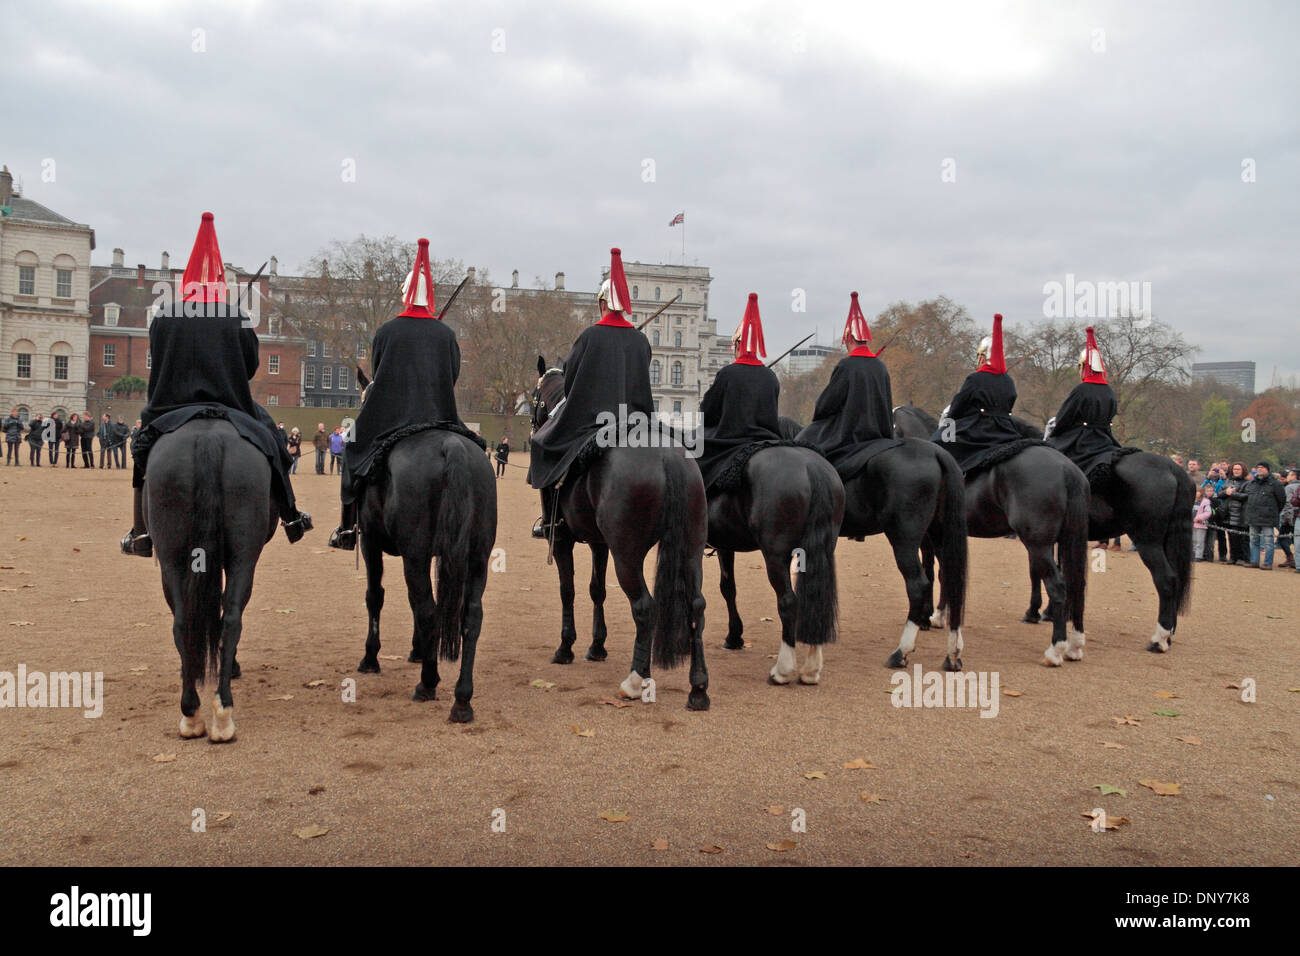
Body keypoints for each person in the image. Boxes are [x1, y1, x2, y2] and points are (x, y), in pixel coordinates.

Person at [120, 211, 311, 557]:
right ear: (221, 281)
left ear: (186, 281)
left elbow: (159, 361)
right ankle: (291, 515)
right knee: (272, 442)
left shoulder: (165, 315)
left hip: (169, 408)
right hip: (231, 406)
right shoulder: (236, 316)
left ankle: (139, 531)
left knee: (142, 451)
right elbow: (250, 366)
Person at [330, 238, 479, 549]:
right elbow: (451, 376)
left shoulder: (387, 331)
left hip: (393, 417)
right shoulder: (446, 335)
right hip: (439, 415)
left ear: (406, 295)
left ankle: (347, 528)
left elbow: (380, 374)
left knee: (353, 445)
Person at [527, 247, 653, 538]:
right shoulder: (640, 341)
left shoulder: (589, 336)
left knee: (542, 443)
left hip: (594, 422)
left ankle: (551, 523)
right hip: (636, 422)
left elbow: (570, 382)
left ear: (601, 304)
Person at [796, 291, 899, 487]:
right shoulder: (880, 366)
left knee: (804, 442)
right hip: (879, 434)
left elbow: (826, 406)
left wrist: (818, 413)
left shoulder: (846, 365)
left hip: (850, 435)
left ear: (849, 338)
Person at [697, 293, 783, 491]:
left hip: (731, 441)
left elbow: (707, 412)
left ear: (737, 345)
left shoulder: (728, 373)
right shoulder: (771, 376)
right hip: (768, 440)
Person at [934, 313, 1024, 473]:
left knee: (939, 441)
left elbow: (958, 406)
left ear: (982, 357)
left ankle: (952, 481)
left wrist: (950, 419)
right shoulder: (1008, 380)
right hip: (1006, 430)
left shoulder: (975, 378)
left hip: (978, 430)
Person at [1045, 326, 1123, 477]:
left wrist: (1054, 433)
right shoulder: (1109, 390)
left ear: (1083, 367)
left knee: (1047, 459)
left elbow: (1063, 418)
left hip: (1081, 442)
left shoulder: (1082, 389)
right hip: (1106, 440)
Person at [1242, 460, 1286, 570]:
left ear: (1267, 469)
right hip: (1253, 516)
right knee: (1254, 541)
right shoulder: (1252, 483)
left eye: (1262, 467)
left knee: (1268, 542)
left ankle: (1267, 563)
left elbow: (1281, 500)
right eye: (1258, 467)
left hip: (1268, 517)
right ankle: (1254, 561)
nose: (1260, 469)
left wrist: (1273, 511)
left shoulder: (1275, 483)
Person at [1215, 462, 1251, 565]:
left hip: (1241, 513)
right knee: (1231, 537)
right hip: (1228, 513)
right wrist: (1226, 492)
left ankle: (1241, 557)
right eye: (1235, 469)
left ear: (1243, 470)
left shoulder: (1247, 483)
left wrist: (1233, 494)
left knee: (1242, 538)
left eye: (1238, 469)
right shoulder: (1228, 481)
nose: (1236, 471)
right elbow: (1219, 494)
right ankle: (1232, 557)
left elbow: (1246, 496)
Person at [1277, 468, 1299, 569]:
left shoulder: (1289, 487)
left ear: (1294, 476)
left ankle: (1290, 558)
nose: (1287, 477)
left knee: (1282, 538)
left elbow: (1288, 503)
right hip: (1296, 516)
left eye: (1289, 475)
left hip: (1290, 517)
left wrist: (1286, 517)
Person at [1192, 485, 1213, 561]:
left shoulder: (1205, 502)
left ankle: (1199, 556)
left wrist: (1198, 518)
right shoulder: (1191, 501)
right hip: (1192, 524)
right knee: (1193, 540)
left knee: (1199, 541)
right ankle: (1193, 554)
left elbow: (1208, 512)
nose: (1197, 493)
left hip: (1200, 524)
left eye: (1198, 492)